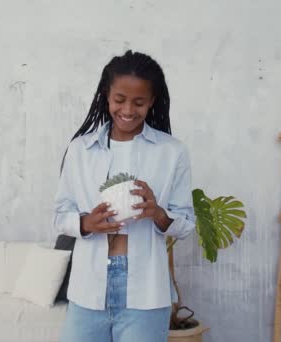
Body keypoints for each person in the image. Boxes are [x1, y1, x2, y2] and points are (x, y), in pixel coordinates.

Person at [54, 50, 195, 342]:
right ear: (107, 96)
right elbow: (60, 215)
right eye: (120, 99)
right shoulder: (80, 150)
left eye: (139, 102)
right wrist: (86, 224)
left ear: (152, 101)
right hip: (88, 288)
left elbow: (187, 224)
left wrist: (158, 214)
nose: (128, 109)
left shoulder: (172, 153)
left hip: (145, 290)